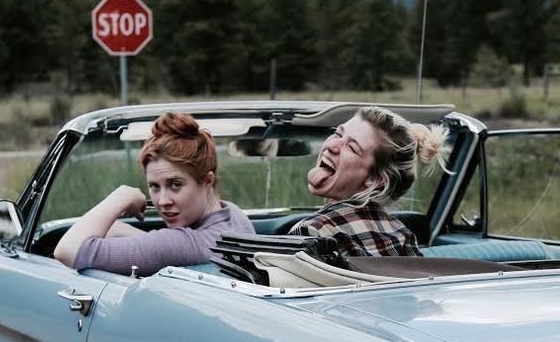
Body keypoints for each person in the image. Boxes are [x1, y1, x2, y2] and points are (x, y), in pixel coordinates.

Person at [54, 112, 254, 275]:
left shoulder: (184, 245)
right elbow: (166, 246)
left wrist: (122, 196)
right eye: (154, 187)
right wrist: (129, 234)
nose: (163, 201)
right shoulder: (232, 215)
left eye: (175, 184)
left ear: (207, 181)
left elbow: (67, 250)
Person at [290, 106, 448, 257]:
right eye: (337, 134)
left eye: (352, 148)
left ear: (375, 180)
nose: (331, 146)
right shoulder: (402, 234)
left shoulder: (313, 231)